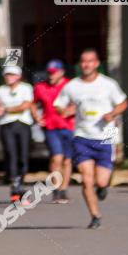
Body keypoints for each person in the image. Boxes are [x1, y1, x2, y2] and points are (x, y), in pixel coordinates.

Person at [53, 49, 128, 229]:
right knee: (87, 180)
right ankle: (95, 216)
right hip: (82, 136)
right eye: (83, 61)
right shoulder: (72, 86)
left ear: (96, 64)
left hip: (106, 135)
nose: (86, 65)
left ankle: (103, 187)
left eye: (90, 61)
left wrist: (112, 114)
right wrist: (64, 111)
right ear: (80, 64)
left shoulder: (108, 84)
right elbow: (58, 105)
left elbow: (123, 103)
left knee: (100, 181)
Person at [0, 66, 36, 203]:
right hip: (7, 125)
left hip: (23, 124)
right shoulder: (1, 90)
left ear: (18, 76)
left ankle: (20, 182)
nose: (9, 77)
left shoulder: (26, 88)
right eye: (7, 75)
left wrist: (7, 109)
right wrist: (2, 110)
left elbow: (25, 105)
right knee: (11, 155)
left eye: (12, 75)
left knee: (23, 156)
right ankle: (15, 187)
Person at [33, 59, 74, 204]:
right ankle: (56, 189)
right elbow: (33, 103)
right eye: (49, 72)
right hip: (51, 127)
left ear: (61, 72)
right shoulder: (40, 87)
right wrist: (36, 116)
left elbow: (79, 102)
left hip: (69, 127)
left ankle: (64, 190)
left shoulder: (70, 86)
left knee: (67, 160)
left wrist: (70, 111)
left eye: (54, 72)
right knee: (56, 158)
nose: (51, 75)